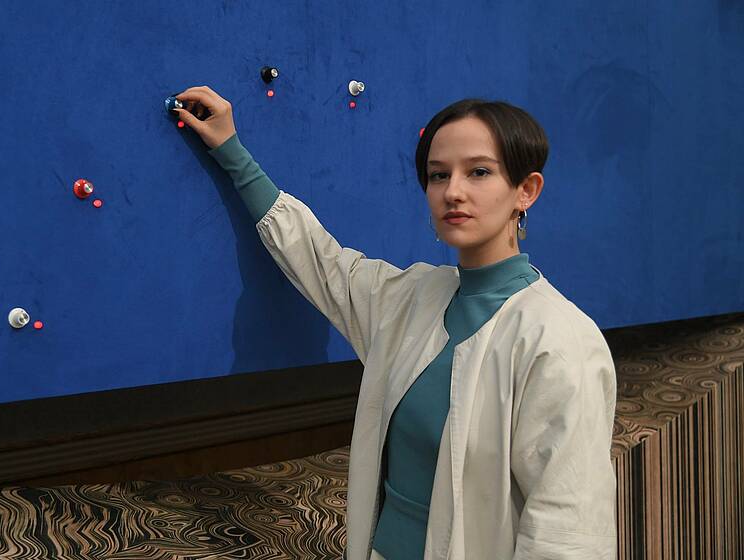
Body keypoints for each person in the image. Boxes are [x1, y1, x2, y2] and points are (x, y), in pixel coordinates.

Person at [172, 86, 618, 559]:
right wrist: (231, 151)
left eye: (479, 172)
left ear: (526, 191)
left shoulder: (558, 339)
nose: (453, 192)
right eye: (438, 175)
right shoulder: (415, 298)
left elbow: (568, 534)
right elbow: (322, 263)